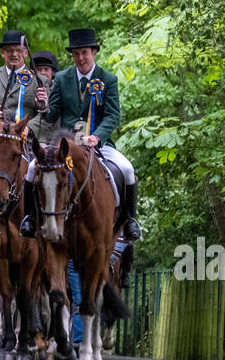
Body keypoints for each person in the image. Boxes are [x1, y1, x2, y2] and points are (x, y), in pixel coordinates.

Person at [22, 28, 141, 242]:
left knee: (127, 169)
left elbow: (113, 115)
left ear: (94, 52)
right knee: (32, 168)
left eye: (84, 52)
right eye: (76, 54)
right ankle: (30, 217)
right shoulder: (61, 78)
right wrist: (43, 106)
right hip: (66, 145)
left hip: (97, 143)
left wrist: (97, 136)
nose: (80, 58)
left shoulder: (108, 79)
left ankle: (130, 219)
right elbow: (52, 115)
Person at [0, 30, 48, 136]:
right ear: (3, 53)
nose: (14, 54)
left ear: (26, 53)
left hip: (25, 137)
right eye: (10, 50)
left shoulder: (40, 80)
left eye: (19, 50)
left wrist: (29, 127)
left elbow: (49, 113)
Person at [27, 49, 60, 144]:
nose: (42, 73)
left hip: (56, 139)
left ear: (53, 72)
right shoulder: (28, 89)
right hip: (33, 139)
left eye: (46, 69)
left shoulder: (59, 89)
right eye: (38, 69)